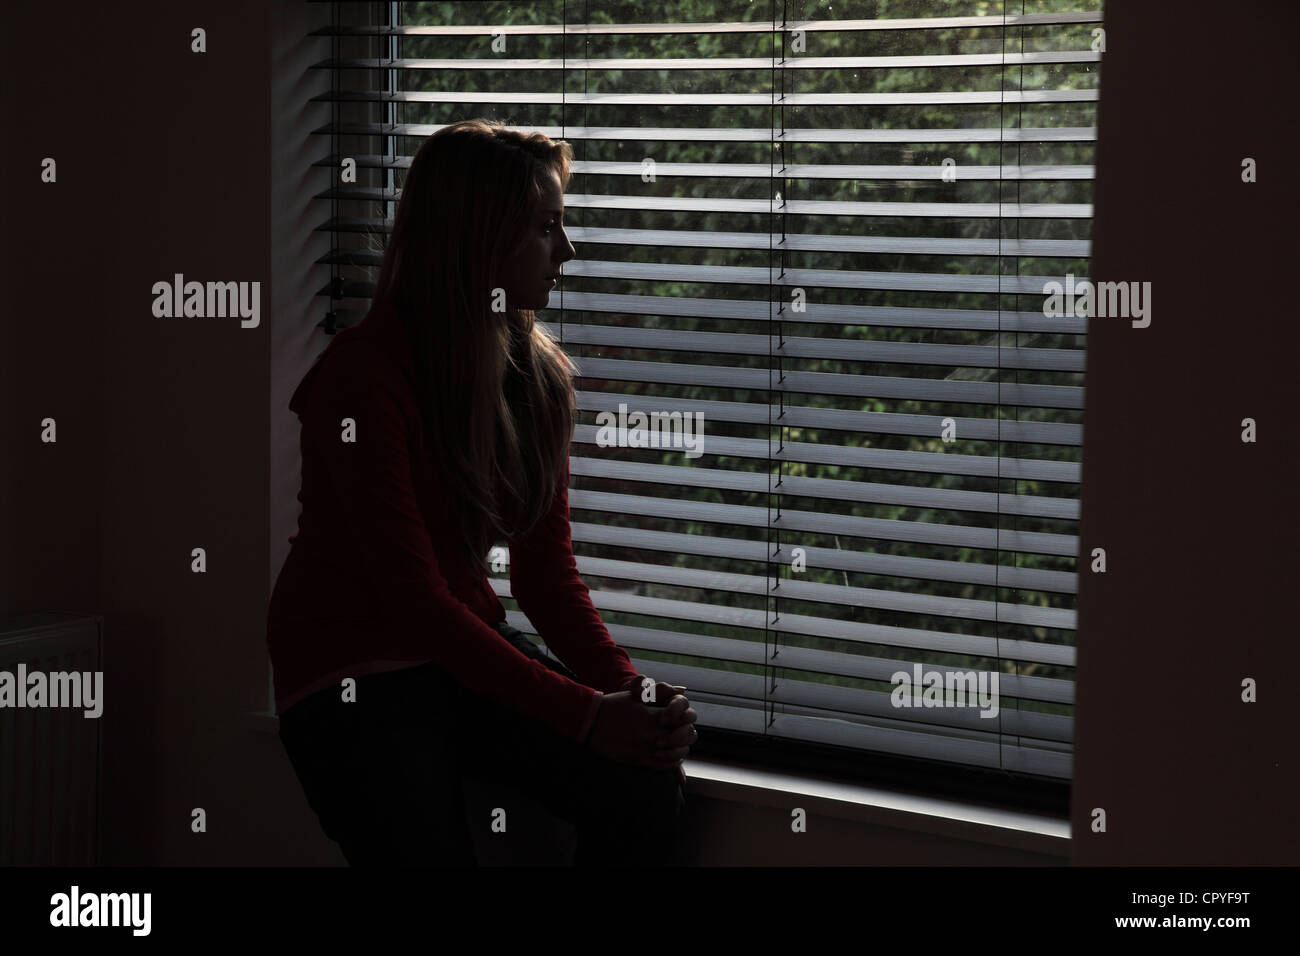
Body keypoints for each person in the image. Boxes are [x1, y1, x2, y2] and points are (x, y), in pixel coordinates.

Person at [267, 119, 697, 867]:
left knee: (643, 783)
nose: (566, 251)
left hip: (457, 657)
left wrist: (630, 697)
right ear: (478, 238)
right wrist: (590, 715)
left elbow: (546, 577)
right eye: (545, 227)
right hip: (349, 678)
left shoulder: (537, 381)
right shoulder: (362, 377)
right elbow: (415, 602)